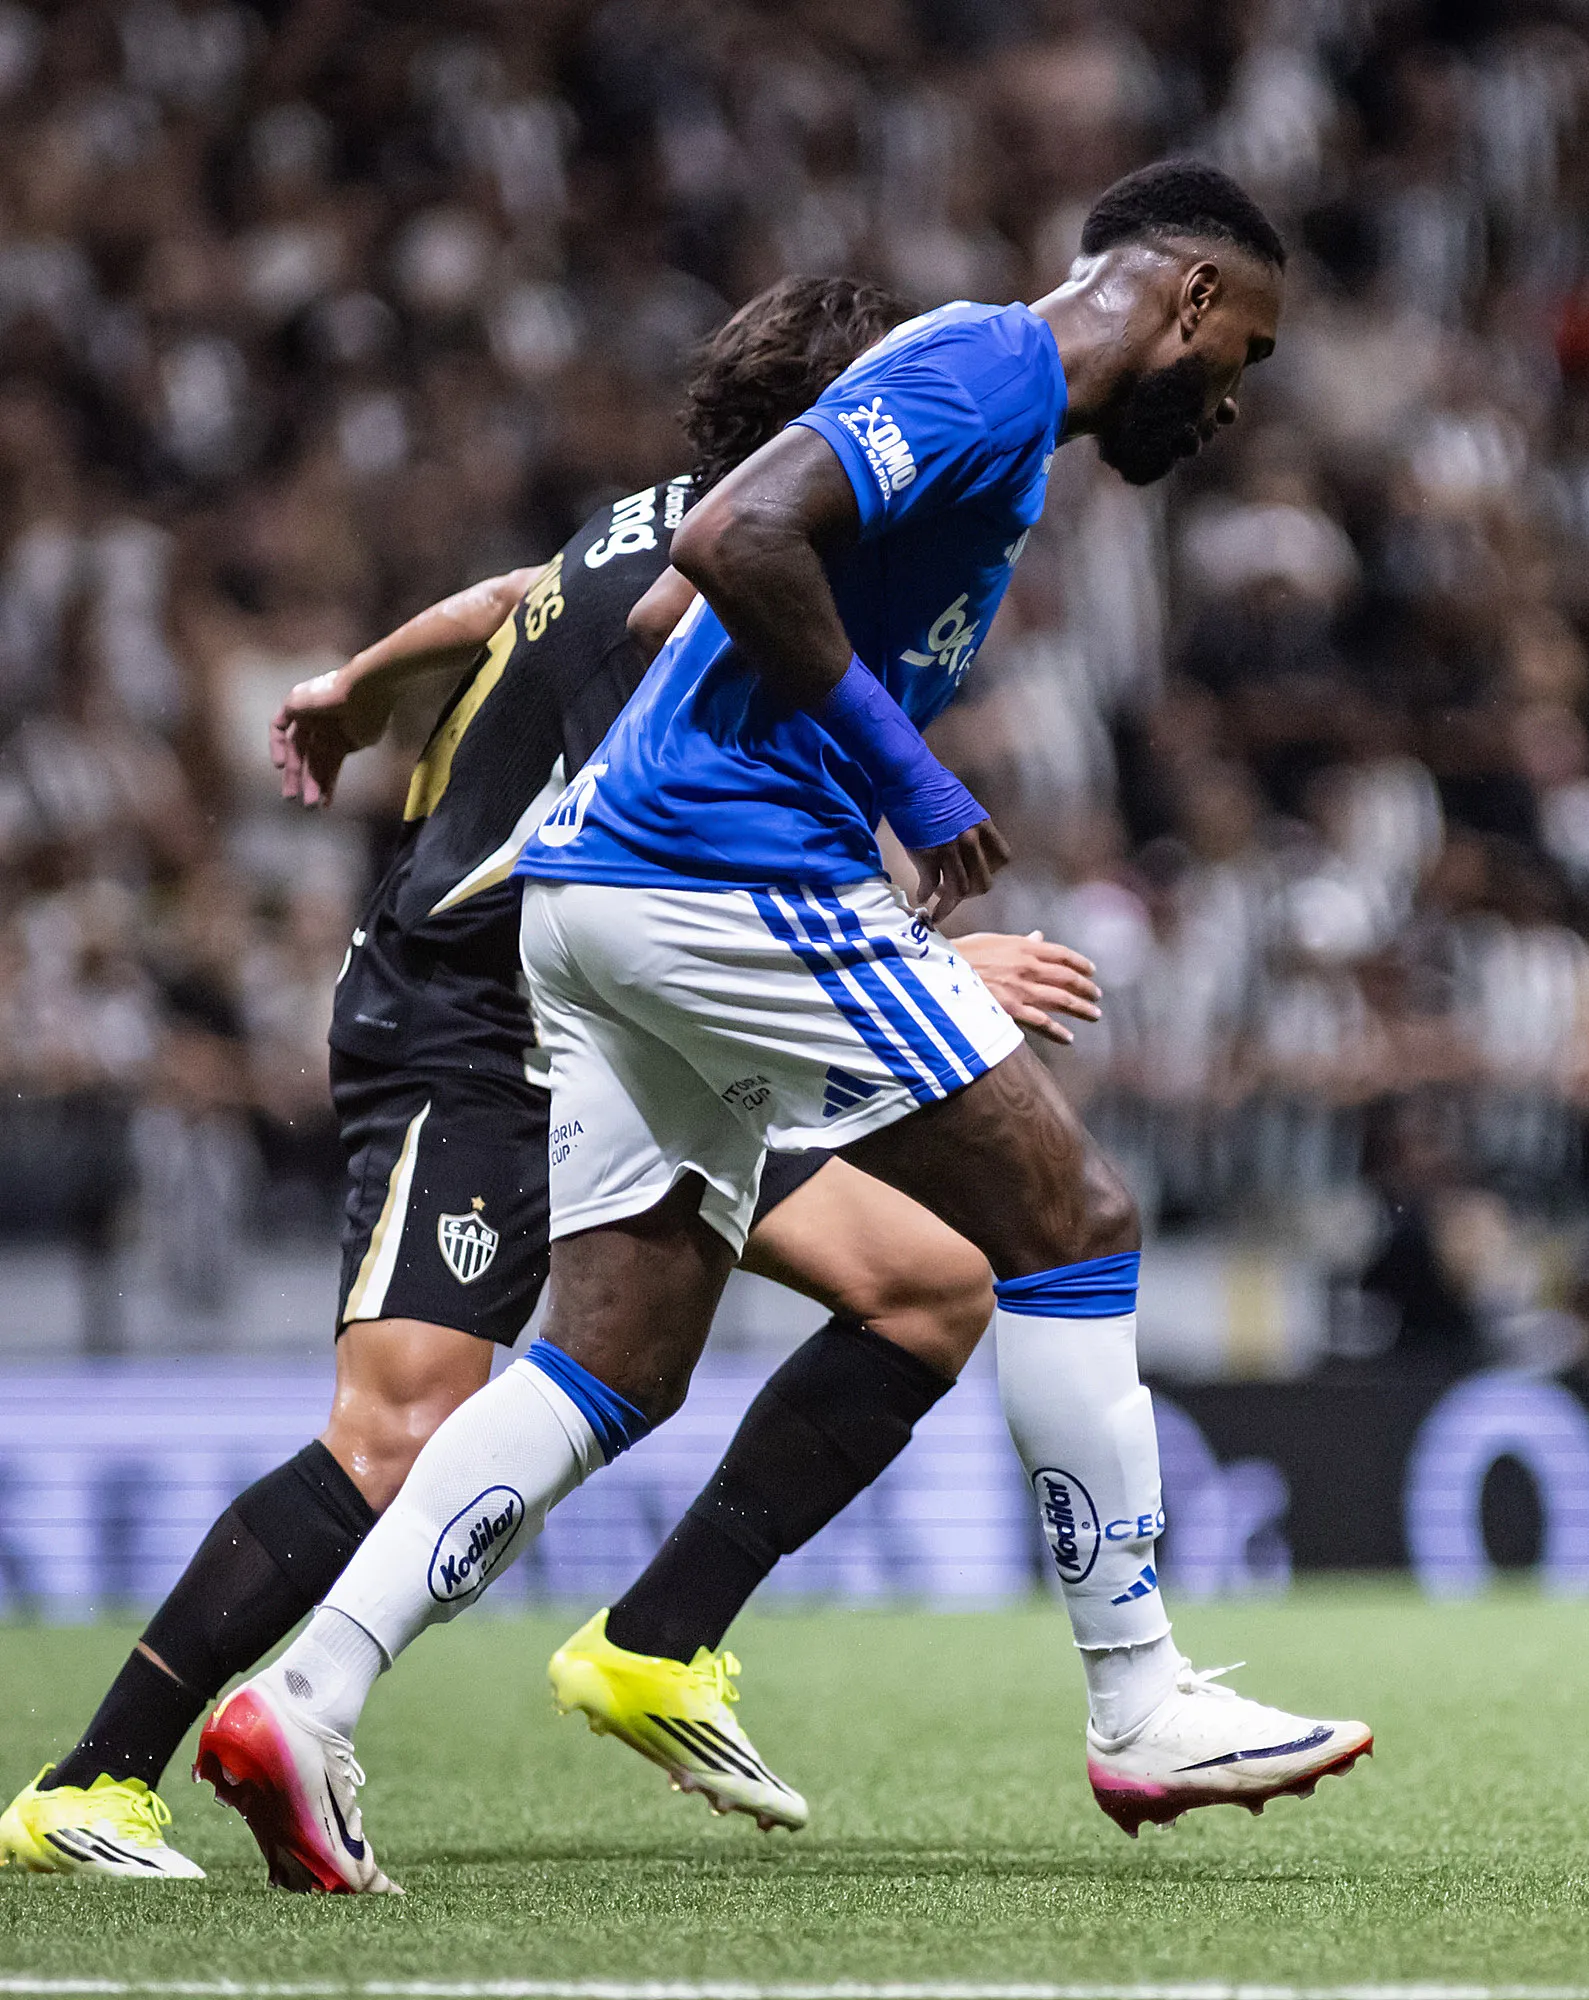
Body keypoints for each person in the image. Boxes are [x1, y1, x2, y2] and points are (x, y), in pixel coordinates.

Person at [195, 161, 1370, 1897]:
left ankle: (303, 1697)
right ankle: (1140, 1704)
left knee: (610, 1358)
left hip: (598, 898)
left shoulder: (990, 423)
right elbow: (720, 540)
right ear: (1189, 302)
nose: (1236, 397)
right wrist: (900, 776)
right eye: (1247, 352)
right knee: (1071, 1227)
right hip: (721, 878)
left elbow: (679, 603)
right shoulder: (987, 367)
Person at [0, 276, 1099, 1883]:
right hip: (478, 1021)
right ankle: (89, 1782)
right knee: (396, 1431)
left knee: (929, 1285)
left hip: (633, 1027)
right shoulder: (720, 575)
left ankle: (658, 1642)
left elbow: (513, 594)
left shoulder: (658, 524)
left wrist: (357, 682)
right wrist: (923, 968)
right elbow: (665, 834)